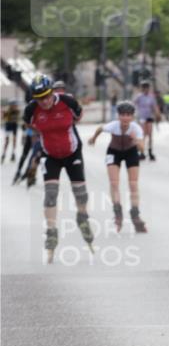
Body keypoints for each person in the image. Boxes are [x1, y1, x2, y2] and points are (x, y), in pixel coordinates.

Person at [23, 73, 94, 261]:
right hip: (50, 155)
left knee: (80, 193)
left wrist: (62, 125)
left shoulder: (67, 101)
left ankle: (82, 216)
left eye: (47, 96)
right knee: (51, 193)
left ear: (52, 92)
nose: (44, 101)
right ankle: (51, 231)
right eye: (39, 98)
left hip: (72, 153)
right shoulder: (31, 110)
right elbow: (29, 124)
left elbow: (78, 116)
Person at [88, 101, 147, 232]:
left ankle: (135, 213)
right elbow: (100, 129)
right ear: (118, 116)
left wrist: (135, 140)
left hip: (131, 152)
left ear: (132, 116)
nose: (125, 118)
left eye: (128, 115)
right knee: (114, 183)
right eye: (122, 115)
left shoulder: (136, 128)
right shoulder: (113, 126)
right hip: (114, 152)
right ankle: (117, 211)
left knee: (133, 184)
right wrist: (93, 138)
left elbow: (142, 149)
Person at [134, 80, 161, 161]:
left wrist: (158, 115)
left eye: (147, 87)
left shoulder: (151, 97)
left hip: (149, 117)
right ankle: (141, 152)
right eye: (144, 88)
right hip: (141, 117)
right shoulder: (139, 97)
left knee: (150, 135)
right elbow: (133, 104)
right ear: (142, 88)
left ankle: (150, 151)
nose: (146, 89)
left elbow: (154, 107)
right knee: (143, 135)